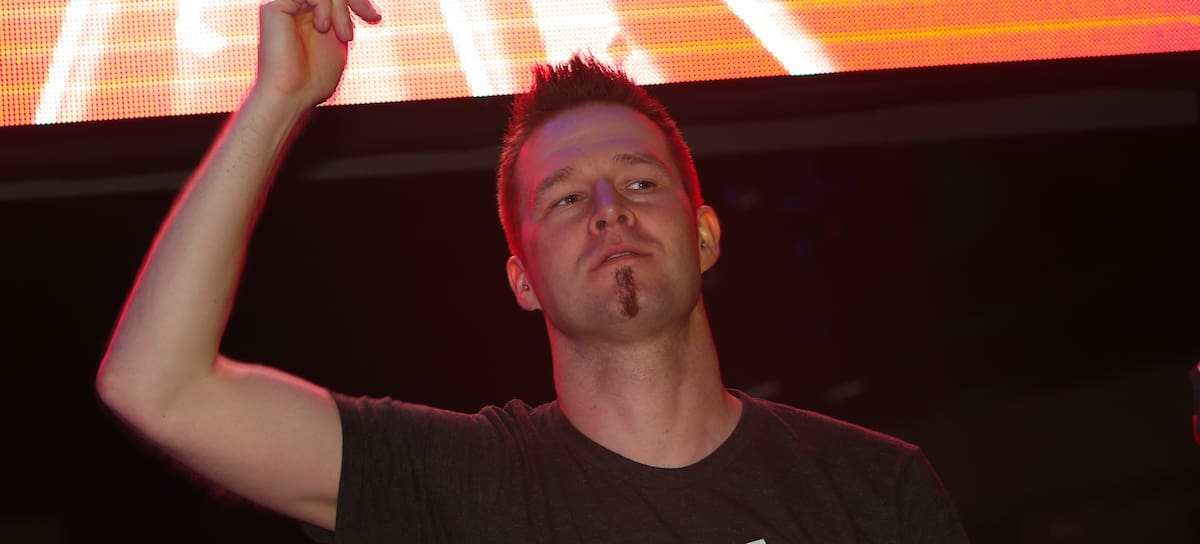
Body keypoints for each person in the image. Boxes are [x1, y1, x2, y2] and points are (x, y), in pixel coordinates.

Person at [96, 0, 969, 542]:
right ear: (522, 280)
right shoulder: (457, 483)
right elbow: (156, 386)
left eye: (639, 182)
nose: (609, 209)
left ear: (705, 237)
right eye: (566, 197)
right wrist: (278, 99)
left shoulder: (871, 488)